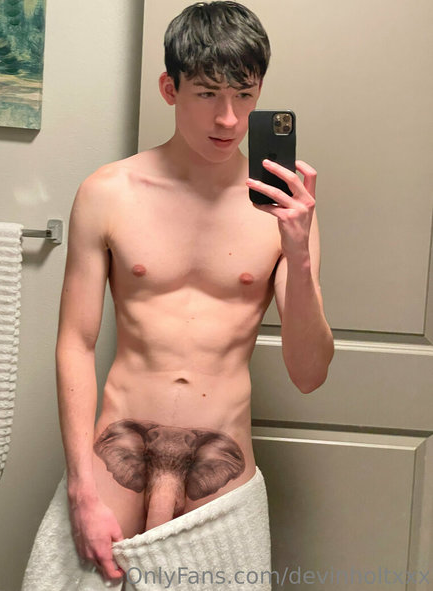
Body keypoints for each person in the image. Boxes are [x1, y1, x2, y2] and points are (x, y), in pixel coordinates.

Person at [22, 2, 334, 590]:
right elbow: (75, 343)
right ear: (170, 88)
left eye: (244, 95)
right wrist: (81, 486)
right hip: (114, 465)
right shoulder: (108, 192)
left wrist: (298, 251)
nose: (228, 118)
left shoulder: (285, 211)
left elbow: (310, 373)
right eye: (207, 94)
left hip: (221, 475)